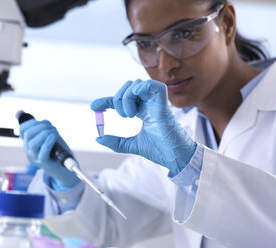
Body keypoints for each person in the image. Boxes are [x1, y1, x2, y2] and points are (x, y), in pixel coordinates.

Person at [20, 0, 276, 247]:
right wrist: (66, 180)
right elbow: (109, 221)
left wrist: (190, 165)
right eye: (145, 44)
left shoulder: (179, 146)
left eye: (182, 34)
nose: (165, 65)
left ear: (227, 23)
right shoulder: (178, 130)